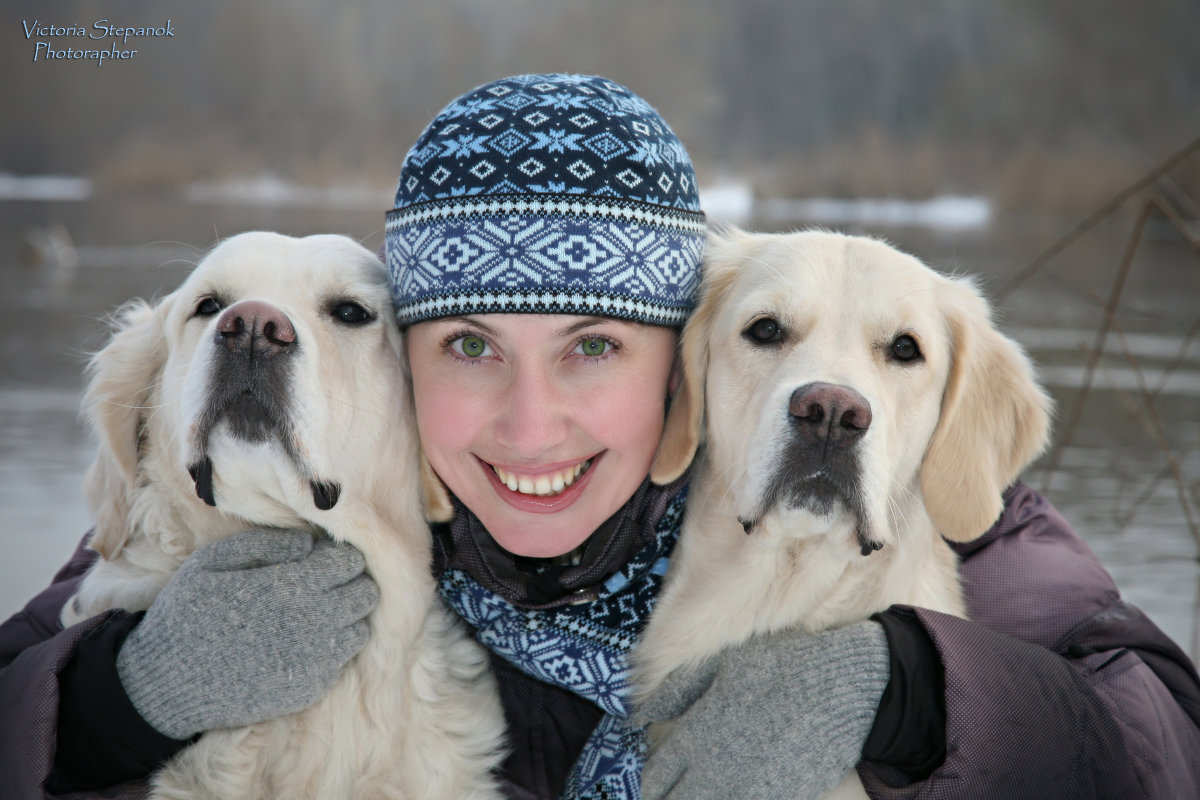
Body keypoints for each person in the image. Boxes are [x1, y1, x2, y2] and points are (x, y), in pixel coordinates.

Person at [1, 73, 1197, 800]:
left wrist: (913, 695)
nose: (531, 422)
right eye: (469, 345)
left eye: (594, 346)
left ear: (682, 362)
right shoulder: (282, 497)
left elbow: (1162, 742)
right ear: (400, 361)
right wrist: (120, 696)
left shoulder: (868, 482)